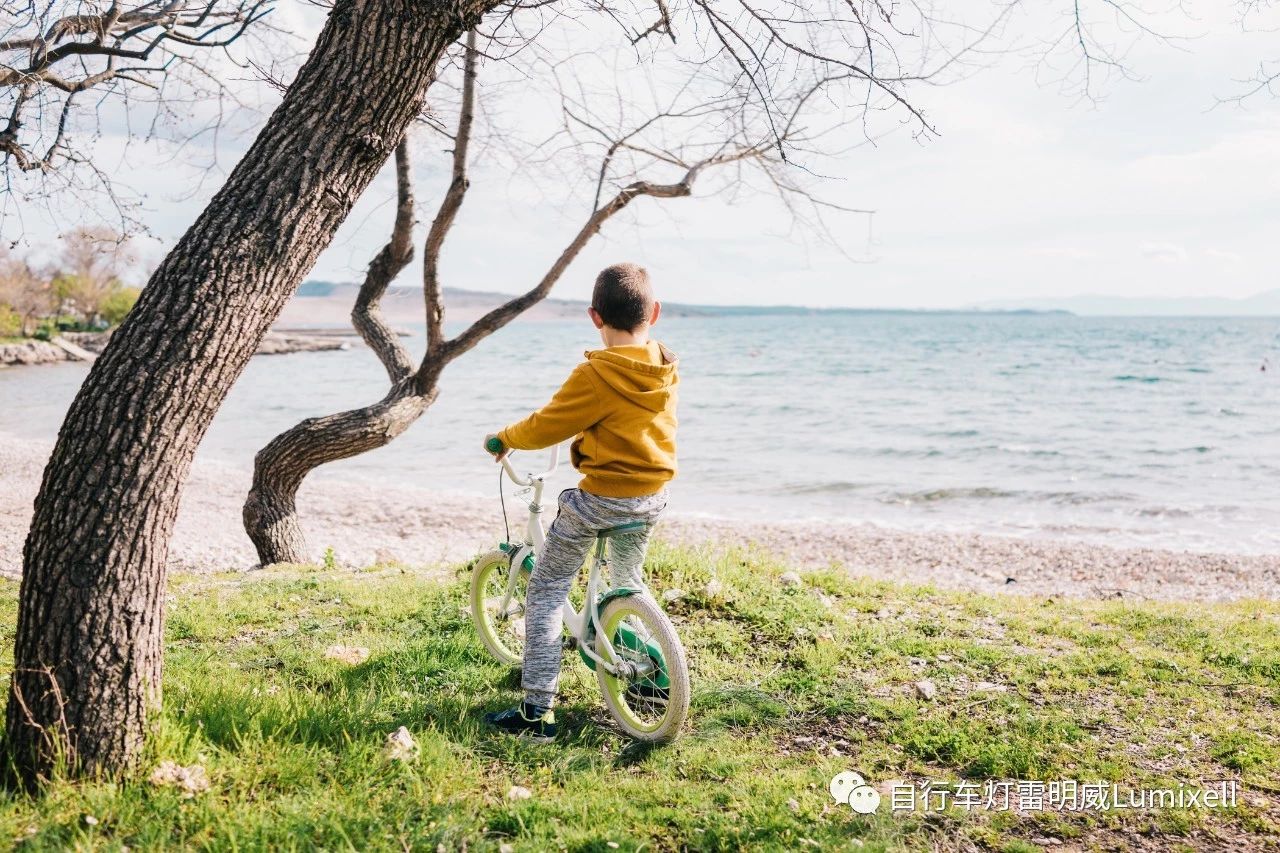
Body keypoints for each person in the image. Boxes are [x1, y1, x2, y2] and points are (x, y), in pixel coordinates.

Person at [481, 262, 679, 741]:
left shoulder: (596, 373)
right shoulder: (664, 364)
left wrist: (504, 438)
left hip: (601, 501)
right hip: (651, 498)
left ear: (595, 317)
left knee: (546, 591)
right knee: (628, 580)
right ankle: (652, 674)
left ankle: (537, 712)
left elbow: (548, 424)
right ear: (653, 312)